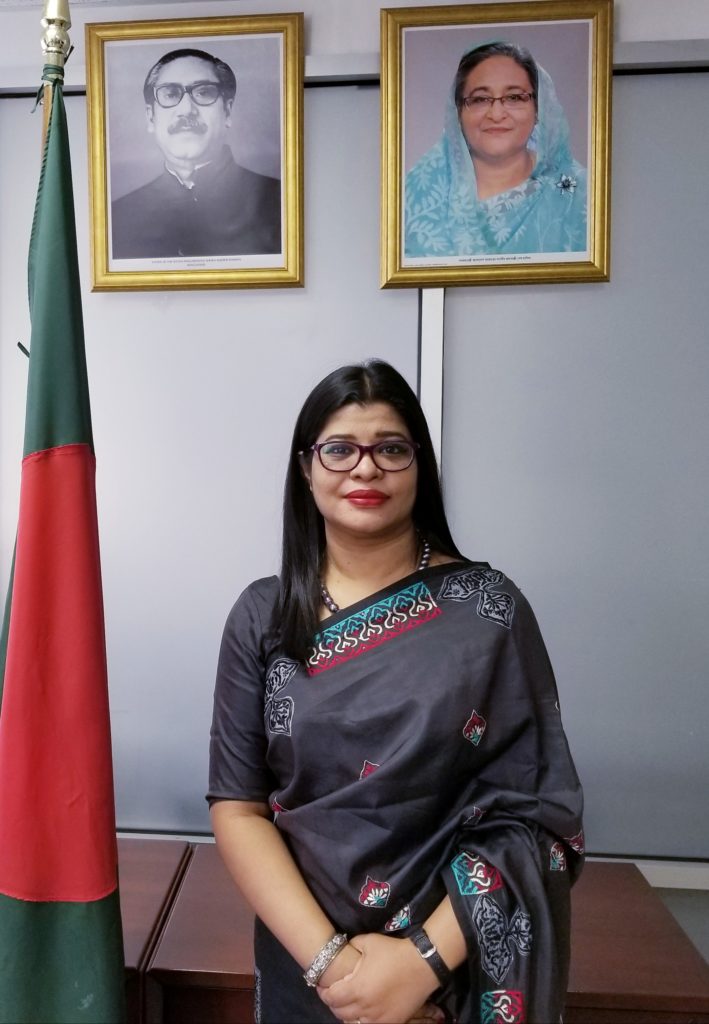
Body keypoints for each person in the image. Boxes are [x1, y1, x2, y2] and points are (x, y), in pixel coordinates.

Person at [208, 360, 584, 1023]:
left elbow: (539, 815)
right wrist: (339, 972)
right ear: (306, 468)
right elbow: (239, 809)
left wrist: (419, 965)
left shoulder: (488, 611)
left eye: (390, 448)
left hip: (455, 969)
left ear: (419, 466)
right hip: (308, 966)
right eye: (339, 449)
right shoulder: (262, 617)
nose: (365, 469)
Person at [405, 41, 588, 258]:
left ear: (539, 109)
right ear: (458, 113)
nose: (497, 114)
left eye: (514, 97)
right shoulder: (413, 197)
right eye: (480, 99)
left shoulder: (580, 193)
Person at [111, 48, 281, 259]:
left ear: (227, 112)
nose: (186, 110)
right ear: (150, 118)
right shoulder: (116, 218)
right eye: (170, 94)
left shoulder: (279, 203)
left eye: (203, 93)